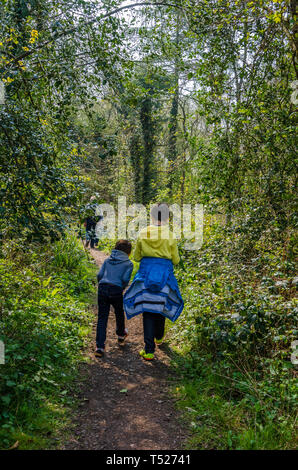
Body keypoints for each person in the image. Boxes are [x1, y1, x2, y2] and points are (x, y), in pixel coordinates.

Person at [123, 203, 184, 361]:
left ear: (151, 216)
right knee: (161, 306)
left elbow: (136, 257)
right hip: (164, 276)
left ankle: (149, 350)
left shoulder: (143, 233)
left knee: (148, 309)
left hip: (146, 276)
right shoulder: (170, 235)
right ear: (167, 217)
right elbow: (176, 260)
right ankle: (159, 336)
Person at [95, 240, 133, 358]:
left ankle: (99, 347)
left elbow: (99, 275)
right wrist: (121, 287)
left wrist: (102, 284)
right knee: (119, 312)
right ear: (129, 252)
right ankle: (121, 335)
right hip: (116, 289)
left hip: (103, 287)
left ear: (115, 249)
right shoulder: (128, 264)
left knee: (102, 317)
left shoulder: (107, 260)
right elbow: (125, 279)